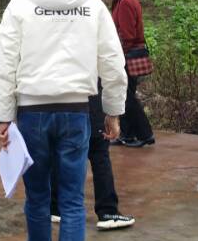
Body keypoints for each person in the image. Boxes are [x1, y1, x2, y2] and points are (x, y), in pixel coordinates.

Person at [0, 0, 127, 241]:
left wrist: (4, 116)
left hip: (32, 113)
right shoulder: (92, 4)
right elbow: (113, 62)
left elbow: (4, 64)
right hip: (76, 112)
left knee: (38, 197)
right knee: (72, 200)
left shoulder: (20, 4)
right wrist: (113, 111)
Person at [50, 88, 135, 231]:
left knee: (61, 154)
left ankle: (55, 205)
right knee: (99, 155)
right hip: (90, 103)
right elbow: (113, 78)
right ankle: (108, 211)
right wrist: (113, 114)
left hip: (61, 104)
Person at [111, 0, 155, 148]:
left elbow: (127, 34)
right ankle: (127, 135)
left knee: (127, 96)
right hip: (129, 54)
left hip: (127, 56)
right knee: (125, 95)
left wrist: (119, 55)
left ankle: (145, 134)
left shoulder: (125, 2)